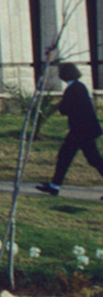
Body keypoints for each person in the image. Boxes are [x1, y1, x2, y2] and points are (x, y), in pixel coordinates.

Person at [35, 61, 103, 198]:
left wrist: (60, 105)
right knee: (67, 157)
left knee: (91, 159)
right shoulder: (78, 87)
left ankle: (55, 186)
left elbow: (66, 109)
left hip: (82, 131)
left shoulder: (74, 89)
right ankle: (54, 186)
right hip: (81, 130)